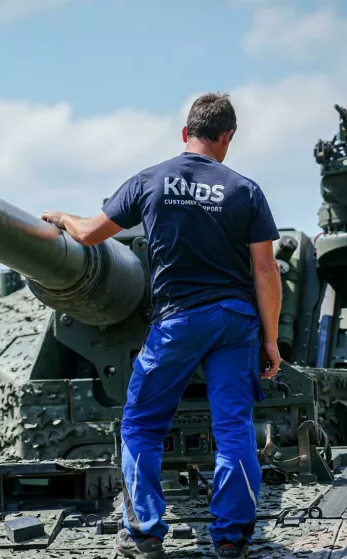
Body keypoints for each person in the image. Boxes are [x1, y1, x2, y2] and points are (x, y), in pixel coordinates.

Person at [39, 92, 282, 559]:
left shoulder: (150, 181)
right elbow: (266, 272)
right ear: (227, 137)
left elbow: (89, 234)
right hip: (235, 320)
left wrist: (62, 218)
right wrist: (269, 339)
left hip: (179, 320)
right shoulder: (245, 190)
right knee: (233, 428)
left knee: (141, 425)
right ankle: (231, 539)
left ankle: (146, 532)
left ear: (184, 132)